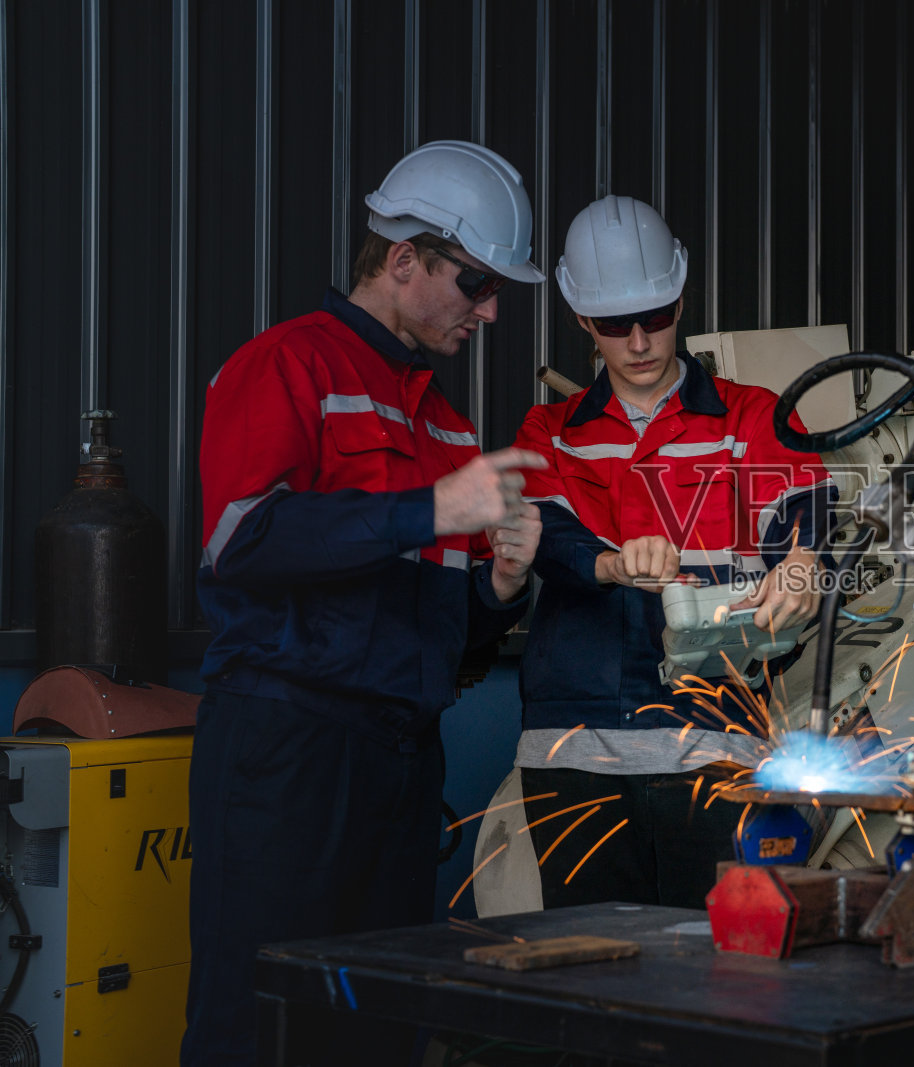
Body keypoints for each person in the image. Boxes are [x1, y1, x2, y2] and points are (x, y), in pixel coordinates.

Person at [185, 140, 547, 1066]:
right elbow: (242, 541)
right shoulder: (285, 366)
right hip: (285, 756)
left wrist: (501, 590)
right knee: (258, 1025)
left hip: (398, 765)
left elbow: (445, 635)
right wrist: (433, 507)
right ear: (402, 260)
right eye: (475, 282)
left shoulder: (445, 420)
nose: (492, 309)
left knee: (378, 1029)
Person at [511, 195, 834, 908]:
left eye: (654, 317)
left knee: (721, 980)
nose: (637, 341)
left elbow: (806, 508)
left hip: (717, 749)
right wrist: (611, 563)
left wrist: (804, 560)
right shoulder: (550, 431)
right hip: (576, 753)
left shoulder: (753, 417)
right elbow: (548, 537)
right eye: (613, 324)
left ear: (681, 298)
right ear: (580, 319)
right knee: (590, 970)